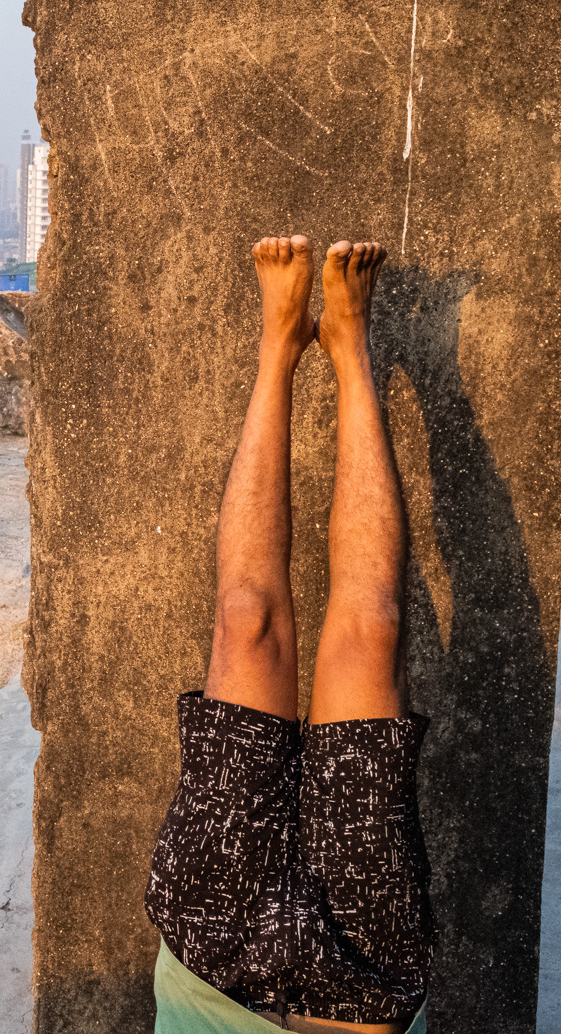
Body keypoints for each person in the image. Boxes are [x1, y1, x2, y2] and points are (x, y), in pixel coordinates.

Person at [145, 236, 430, 1033]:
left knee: (246, 622)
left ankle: (278, 349)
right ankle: (350, 352)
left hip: (215, 963)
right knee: (373, 629)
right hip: (363, 986)